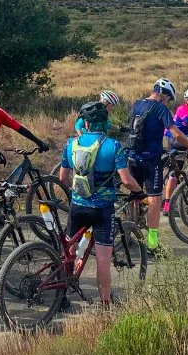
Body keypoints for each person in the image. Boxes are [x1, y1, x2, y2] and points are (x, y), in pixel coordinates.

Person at [58, 102, 144, 305]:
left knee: (69, 251)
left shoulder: (71, 144)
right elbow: (126, 180)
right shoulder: (113, 146)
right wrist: (140, 193)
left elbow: (62, 177)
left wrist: (78, 191)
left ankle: (61, 296)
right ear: (105, 123)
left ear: (85, 123)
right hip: (103, 209)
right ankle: (105, 305)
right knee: (103, 261)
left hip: (78, 206)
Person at [126, 79, 188, 258]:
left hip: (132, 156)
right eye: (168, 99)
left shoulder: (137, 104)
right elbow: (175, 133)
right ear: (164, 95)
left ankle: (130, 232)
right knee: (155, 201)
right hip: (151, 159)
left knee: (135, 194)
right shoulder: (160, 109)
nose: (168, 102)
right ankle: (152, 244)